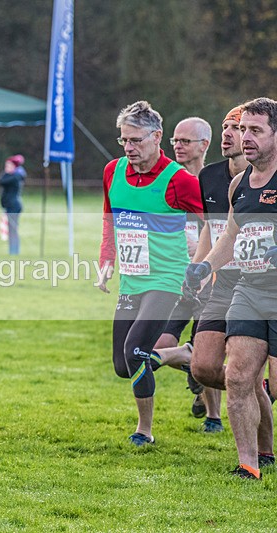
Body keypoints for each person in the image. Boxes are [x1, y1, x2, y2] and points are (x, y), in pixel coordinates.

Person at [96, 101, 203, 446]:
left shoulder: (180, 181)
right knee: (122, 365)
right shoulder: (113, 171)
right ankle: (181, 354)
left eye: (136, 140)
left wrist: (205, 265)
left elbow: (215, 225)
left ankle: (145, 430)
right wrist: (106, 260)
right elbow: (110, 219)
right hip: (132, 280)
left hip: (167, 279)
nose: (128, 148)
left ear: (156, 137)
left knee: (136, 351)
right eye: (123, 140)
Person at [184, 97, 277, 479]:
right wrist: (205, 265)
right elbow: (232, 236)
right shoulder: (239, 183)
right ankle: (249, 464)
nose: (245, 137)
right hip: (249, 291)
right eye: (243, 129)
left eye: (255, 130)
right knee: (238, 375)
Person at [187, 107, 259, 434]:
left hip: (262, 285)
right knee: (203, 367)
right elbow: (214, 230)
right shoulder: (210, 177)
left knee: (253, 377)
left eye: (237, 127)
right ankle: (248, 390)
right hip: (223, 281)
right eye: (225, 127)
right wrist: (199, 269)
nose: (228, 134)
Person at [151, 117, 212, 420]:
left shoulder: (214, 183)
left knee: (206, 346)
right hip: (175, 280)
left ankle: (213, 415)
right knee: (162, 345)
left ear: (204, 145)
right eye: (175, 140)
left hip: (209, 280)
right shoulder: (167, 183)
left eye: (185, 141)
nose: (178, 146)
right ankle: (195, 372)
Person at [0, 154, 27, 255]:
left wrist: (7, 172)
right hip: (10, 206)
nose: (6, 168)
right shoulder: (13, 175)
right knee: (11, 230)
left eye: (8, 165)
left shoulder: (15, 177)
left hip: (14, 206)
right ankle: (12, 251)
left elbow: (1, 181)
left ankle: (14, 252)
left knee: (13, 230)